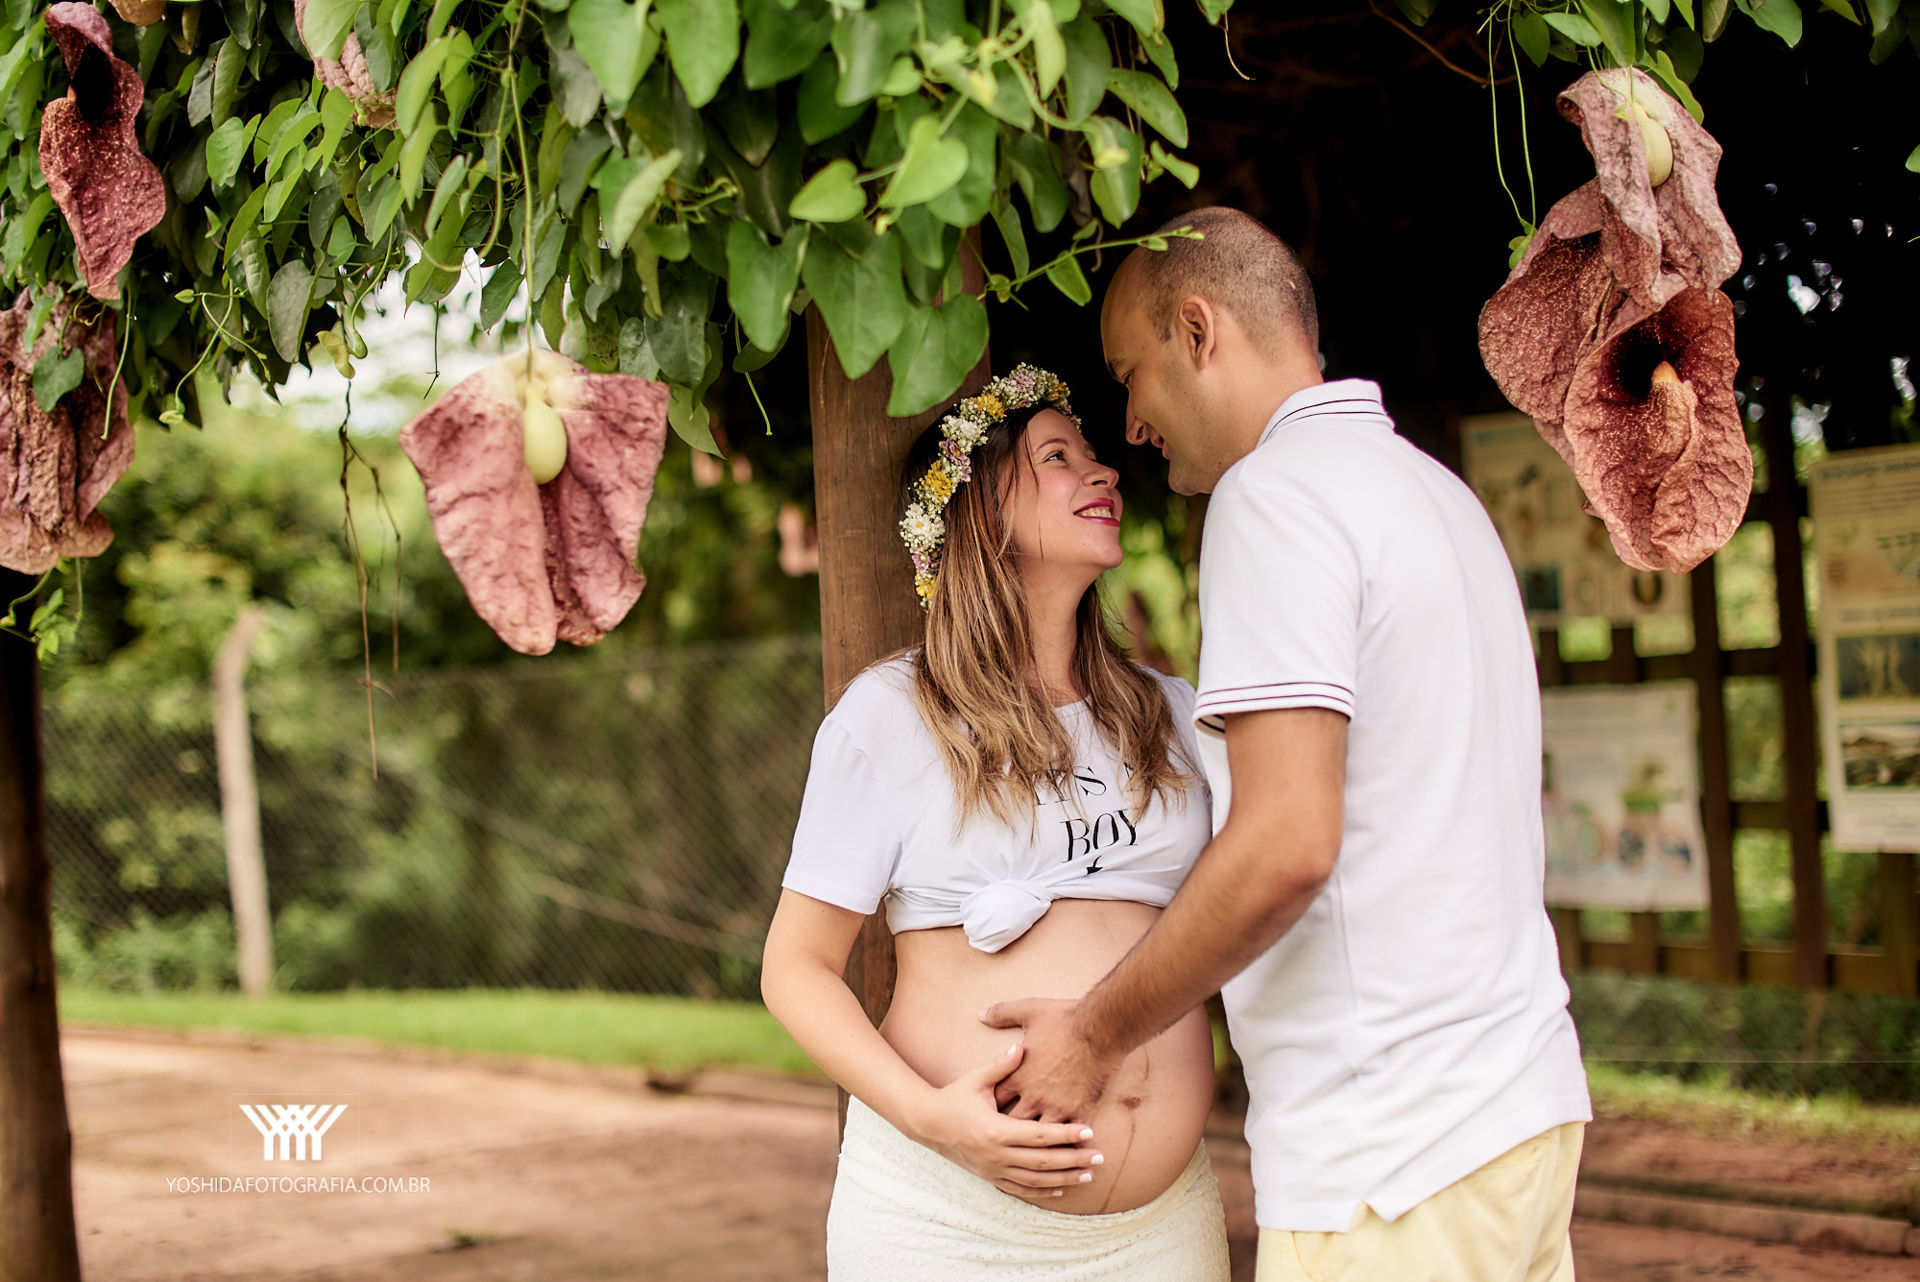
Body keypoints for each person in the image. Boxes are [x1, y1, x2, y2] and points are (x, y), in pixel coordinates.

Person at [983, 208, 1594, 1282]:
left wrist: (1090, 1036)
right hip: (1516, 1112)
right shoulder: (1432, 496)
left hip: (1392, 1157)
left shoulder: (1275, 497)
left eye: (1133, 373)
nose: (1130, 422)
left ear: (1198, 329)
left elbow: (1287, 843)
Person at [759, 364, 1231, 1280]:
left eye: (1095, 457)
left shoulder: (1173, 714)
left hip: (1163, 1230)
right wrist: (932, 1117)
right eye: (1060, 457)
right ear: (976, 511)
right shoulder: (891, 714)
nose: (1103, 475)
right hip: (945, 1222)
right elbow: (796, 968)